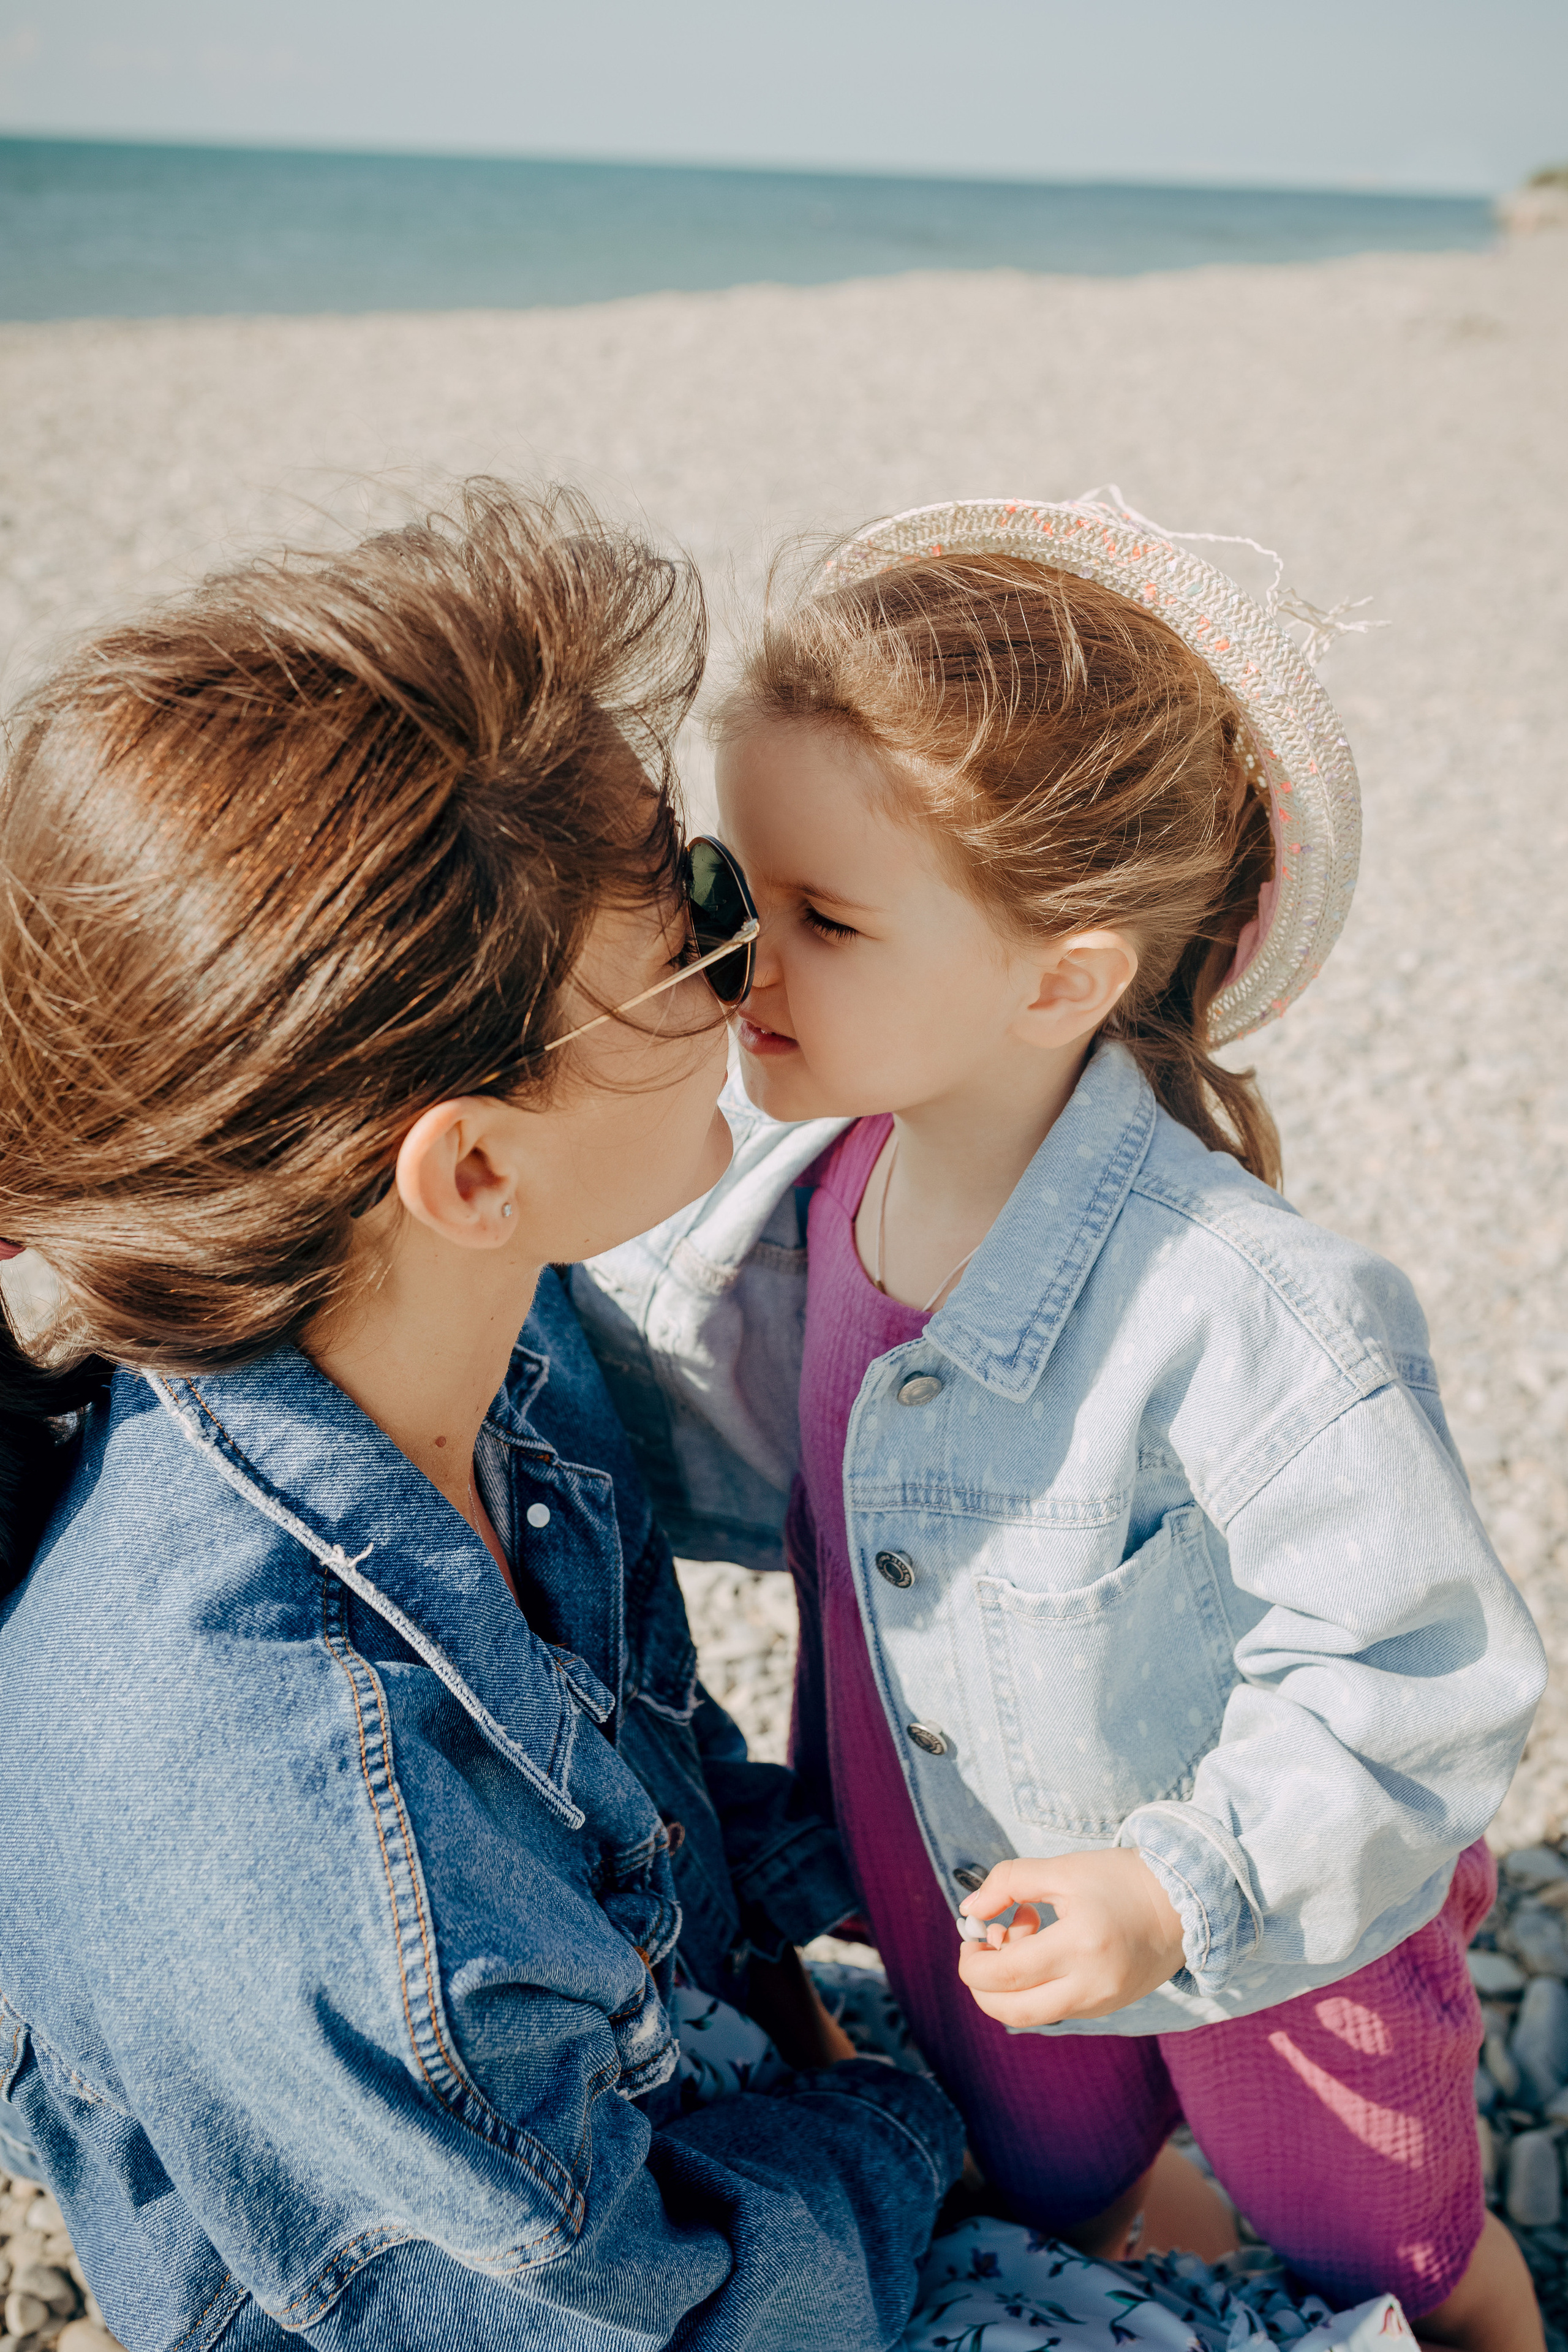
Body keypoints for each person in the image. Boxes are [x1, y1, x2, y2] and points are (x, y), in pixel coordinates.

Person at [573, 498, 1550, 2350]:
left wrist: (1182, 1894)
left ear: (1062, 978)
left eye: (824, 922)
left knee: (1391, 2259)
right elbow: (661, 1411)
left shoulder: (1242, 1300)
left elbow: (1423, 1672)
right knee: (1063, 2191)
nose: (739, 968)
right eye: (737, 894)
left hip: (1274, 1942)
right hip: (981, 1908)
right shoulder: (811, 1194)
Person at [0, 483, 964, 2351]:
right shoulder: (281, 1799)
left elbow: (643, 1808)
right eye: (694, 912)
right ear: (466, 1170)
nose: (751, 959)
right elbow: (662, 2321)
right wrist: (916, 2127)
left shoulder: (492, 1350)